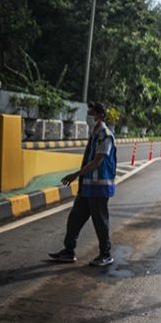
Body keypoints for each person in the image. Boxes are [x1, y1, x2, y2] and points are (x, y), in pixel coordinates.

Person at [49, 102, 117, 267]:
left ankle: (106, 254)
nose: (88, 115)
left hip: (99, 188)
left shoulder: (105, 134)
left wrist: (75, 175)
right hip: (87, 187)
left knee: (100, 221)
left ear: (99, 115)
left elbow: (97, 161)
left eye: (91, 112)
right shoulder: (95, 133)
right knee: (75, 218)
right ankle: (68, 251)